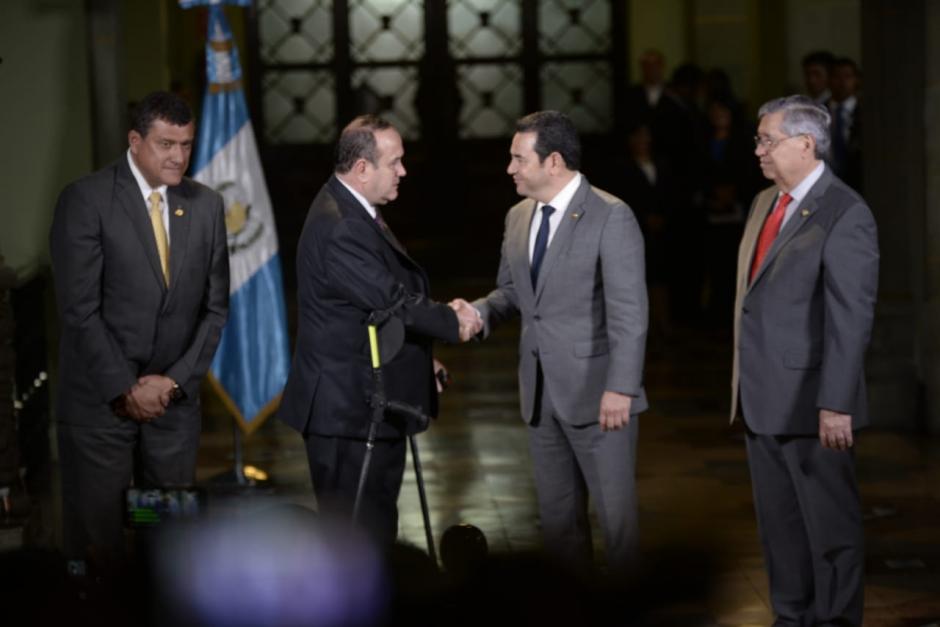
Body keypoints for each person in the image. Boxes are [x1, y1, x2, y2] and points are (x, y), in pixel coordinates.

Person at [453, 111, 649, 572]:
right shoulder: (518, 216)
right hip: (540, 398)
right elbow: (512, 294)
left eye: (519, 159)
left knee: (617, 527)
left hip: (601, 398)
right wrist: (477, 313)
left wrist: (621, 387)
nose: (510, 168)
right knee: (559, 527)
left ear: (554, 161)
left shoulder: (611, 215)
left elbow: (630, 312)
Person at [278, 115, 479, 544]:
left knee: (375, 531)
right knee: (357, 542)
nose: (403, 171)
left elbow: (369, 315)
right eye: (396, 162)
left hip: (363, 404)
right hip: (346, 412)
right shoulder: (342, 225)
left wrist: (422, 358)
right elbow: (392, 300)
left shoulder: (353, 208)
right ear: (362, 168)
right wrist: (454, 320)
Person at [49, 91, 230, 568]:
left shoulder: (207, 205)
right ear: (135, 141)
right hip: (100, 409)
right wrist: (126, 390)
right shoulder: (86, 200)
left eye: (186, 144)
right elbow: (79, 310)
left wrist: (170, 384)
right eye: (166, 144)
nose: (178, 156)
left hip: (171, 412)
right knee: (100, 547)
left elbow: (215, 310)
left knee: (168, 544)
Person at [732, 95, 878, 626]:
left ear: (805, 143)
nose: (758, 150)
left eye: (766, 140)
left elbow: (849, 319)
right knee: (780, 529)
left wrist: (836, 403)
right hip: (761, 399)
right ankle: (790, 618)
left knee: (831, 532)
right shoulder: (763, 203)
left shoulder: (845, 211)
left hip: (816, 405)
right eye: (758, 139)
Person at [827, 57, 863, 191]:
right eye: (837, 76)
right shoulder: (818, 112)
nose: (842, 82)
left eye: (847, 76)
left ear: (857, 80)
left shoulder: (866, 111)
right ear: (829, 80)